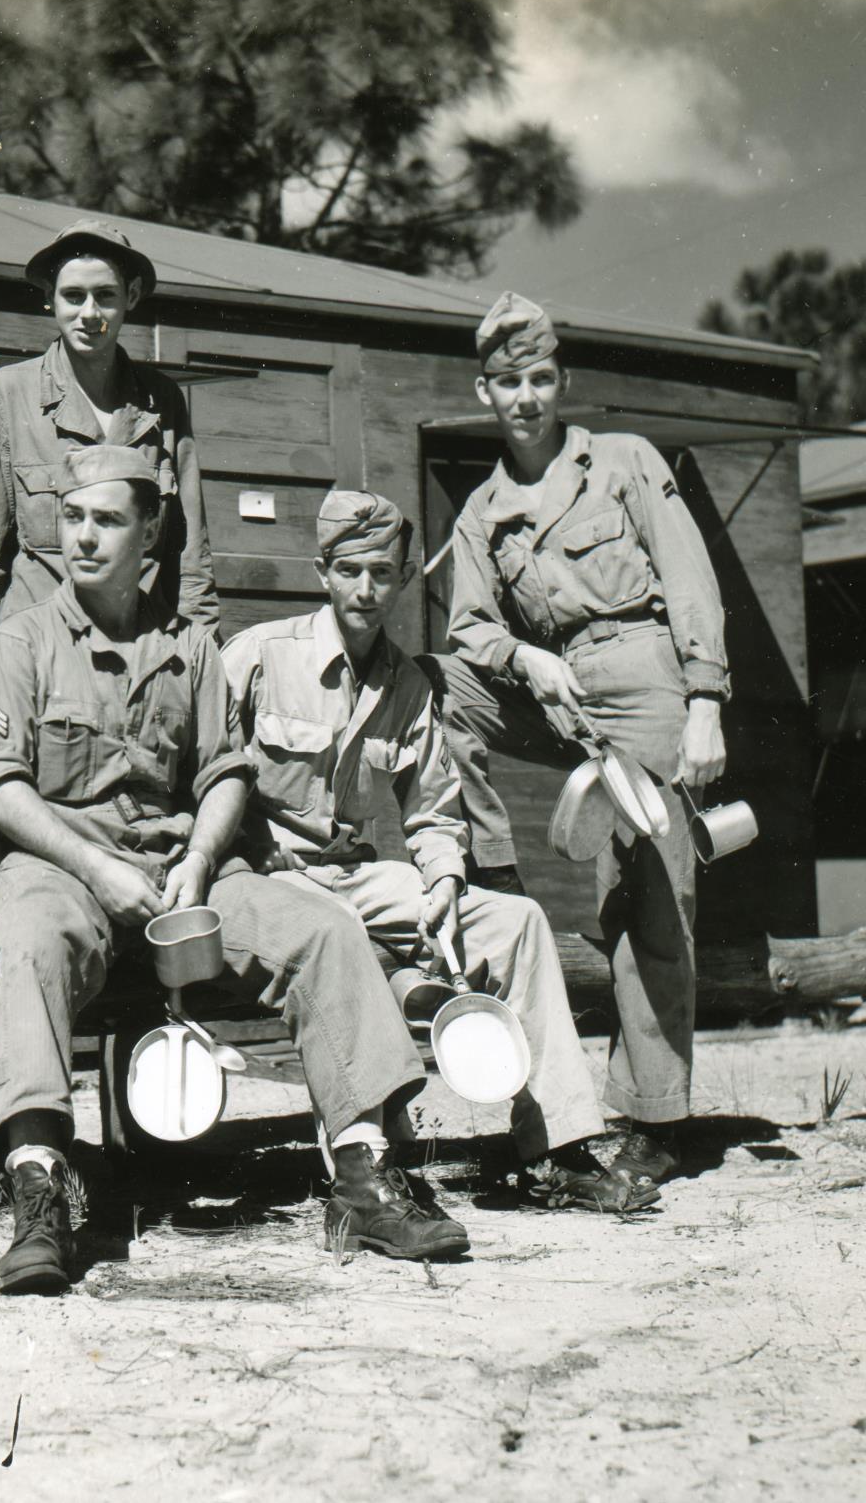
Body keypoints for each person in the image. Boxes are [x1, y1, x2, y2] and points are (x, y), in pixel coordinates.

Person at [0, 444, 469, 1296]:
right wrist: (95, 865)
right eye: (72, 516)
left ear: (150, 528)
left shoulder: (191, 647)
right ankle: (40, 1189)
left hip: (178, 872)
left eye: (108, 519)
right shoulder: (17, 642)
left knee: (321, 928)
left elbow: (224, 773)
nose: (82, 537)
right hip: (59, 865)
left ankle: (363, 1176)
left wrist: (199, 858)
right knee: (28, 933)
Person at [222, 491, 657, 1213]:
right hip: (266, 882)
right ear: (322, 572)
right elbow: (202, 777)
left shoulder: (410, 687)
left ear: (403, 578)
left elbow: (430, 810)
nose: (367, 590)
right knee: (338, 934)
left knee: (514, 923)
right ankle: (370, 1162)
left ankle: (556, 1146)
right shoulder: (258, 658)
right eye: (351, 571)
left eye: (384, 574)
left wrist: (446, 882)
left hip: (353, 876)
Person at [430, 291, 730, 1191]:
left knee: (642, 893)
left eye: (539, 378)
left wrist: (706, 700)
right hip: (551, 688)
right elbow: (471, 631)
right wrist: (525, 654)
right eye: (507, 382)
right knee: (439, 686)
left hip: (643, 679)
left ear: (562, 383)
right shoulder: (481, 512)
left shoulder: (625, 462)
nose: (525, 397)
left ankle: (654, 1119)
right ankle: (489, 870)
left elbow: (690, 577)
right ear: (484, 393)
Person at [0, 219, 219, 644]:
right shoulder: (5, 394)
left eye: (105, 296)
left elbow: (190, 559)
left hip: (143, 651)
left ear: (130, 297)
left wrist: (198, 665)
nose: (89, 314)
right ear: (49, 301)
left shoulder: (162, 401)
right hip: (40, 653)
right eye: (73, 296)